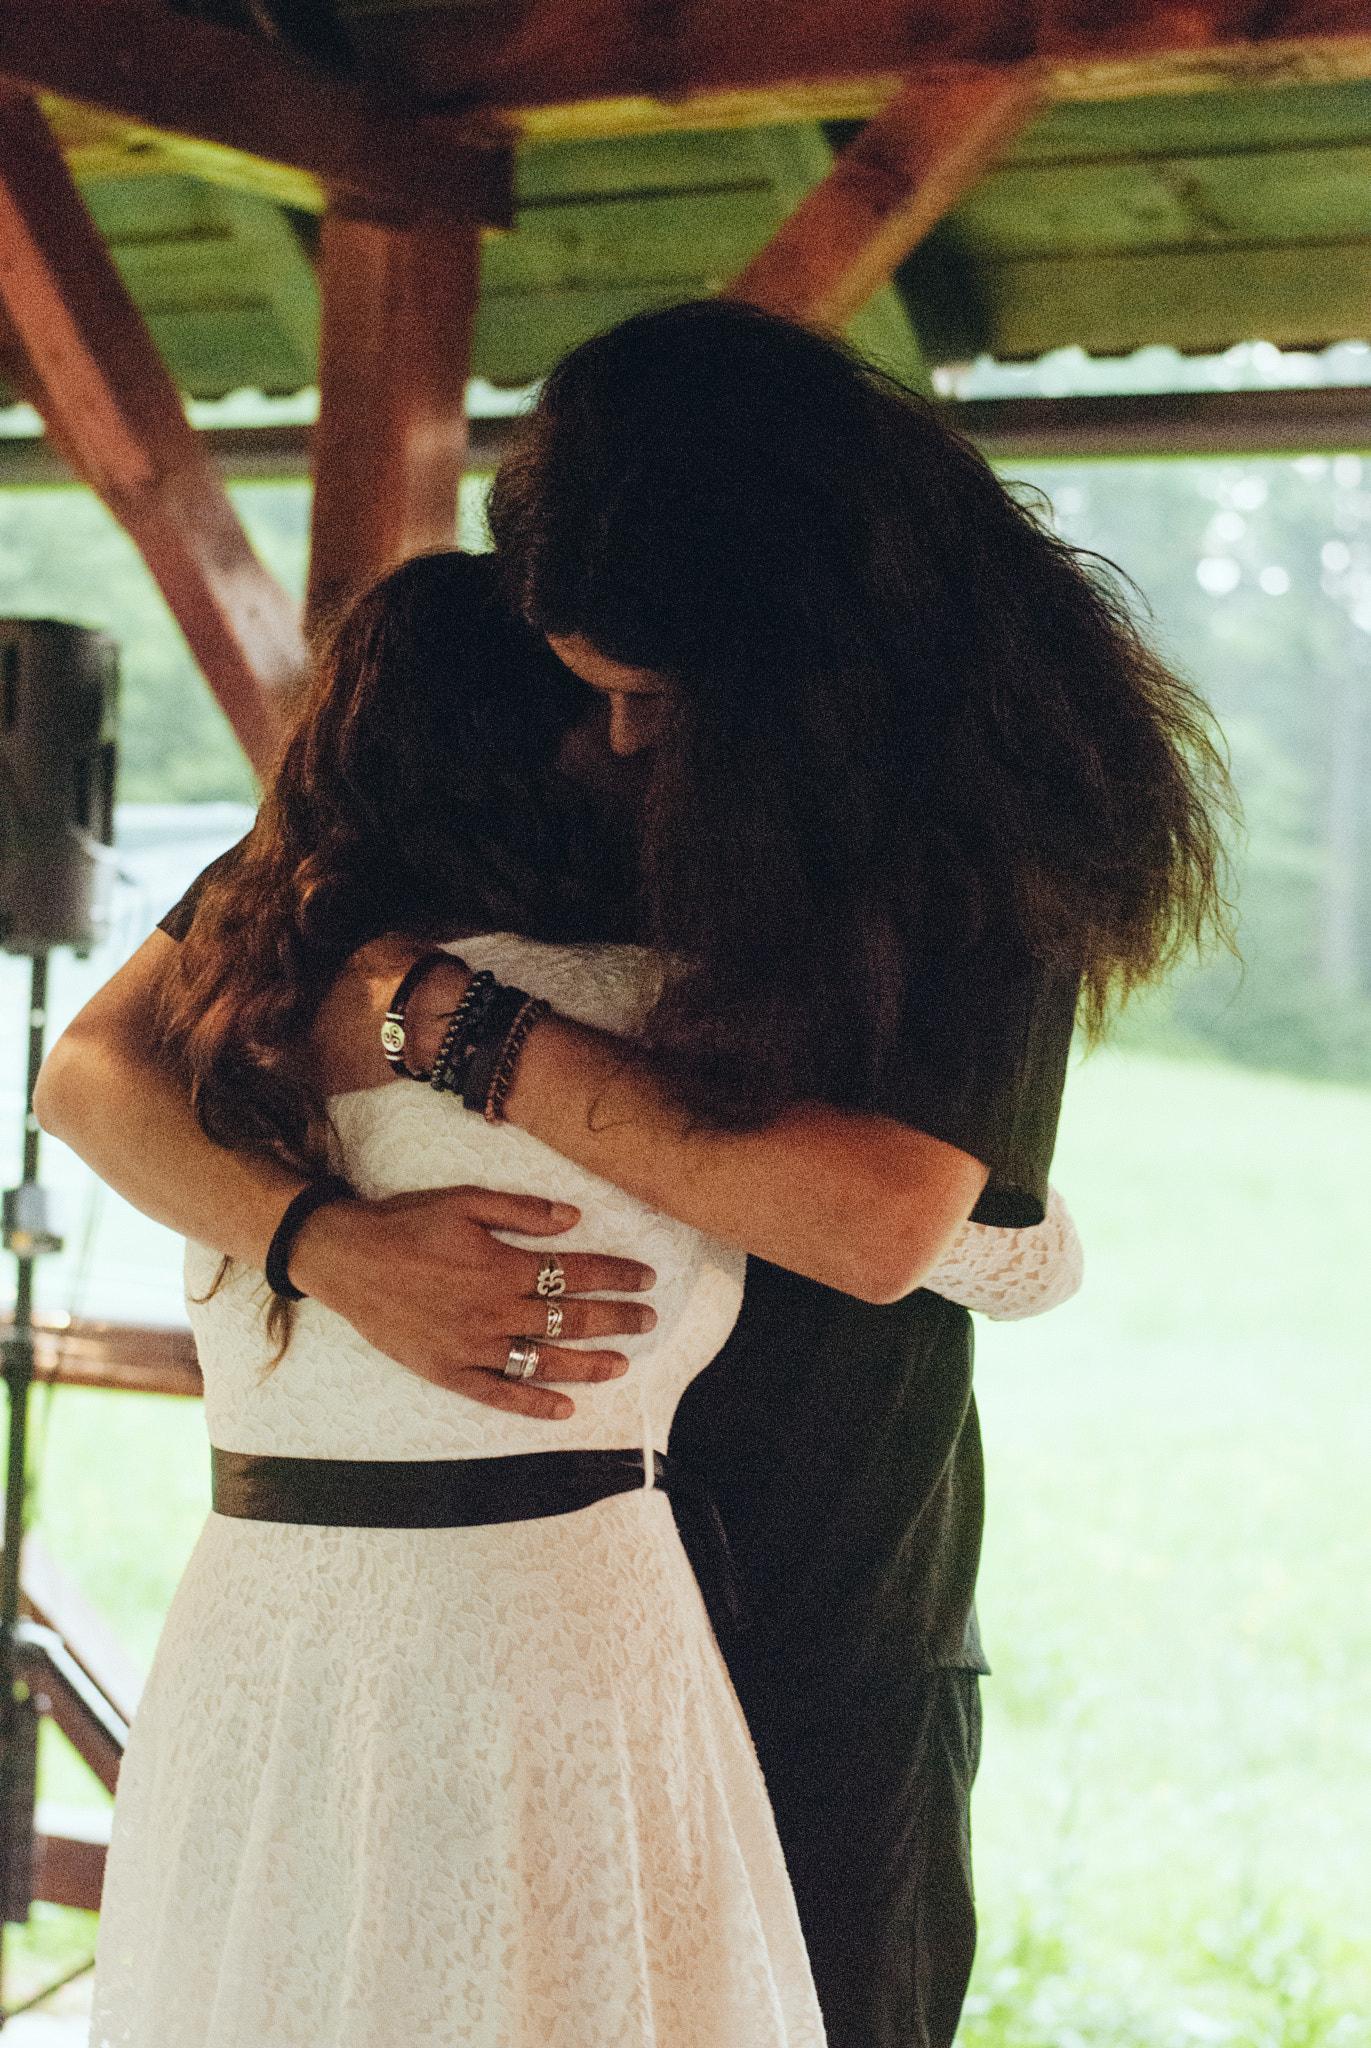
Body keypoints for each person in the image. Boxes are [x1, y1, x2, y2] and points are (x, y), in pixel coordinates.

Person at [38, 302, 1230, 2048]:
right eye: (588, 691)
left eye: (656, 698)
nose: (619, 749)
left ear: (794, 648)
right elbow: (99, 1067)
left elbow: (878, 1218)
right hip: (480, 1629)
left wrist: (455, 1027)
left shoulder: (978, 799)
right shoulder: (492, 696)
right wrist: (323, 1245)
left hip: (812, 1594)